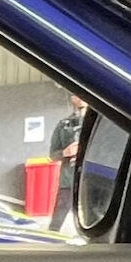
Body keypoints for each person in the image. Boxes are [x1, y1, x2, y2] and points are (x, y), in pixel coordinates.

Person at [47, 95, 88, 231]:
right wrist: (65, 152)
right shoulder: (64, 125)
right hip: (68, 180)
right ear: (72, 98)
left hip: (92, 179)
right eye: (77, 94)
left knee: (93, 215)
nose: (81, 98)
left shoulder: (101, 124)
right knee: (58, 218)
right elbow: (53, 155)